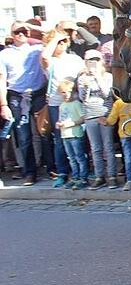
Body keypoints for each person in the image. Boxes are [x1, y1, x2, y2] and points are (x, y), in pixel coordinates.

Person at [0, 21, 47, 185]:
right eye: (17, 32)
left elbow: (53, 33)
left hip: (38, 93)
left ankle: (52, 168)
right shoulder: (5, 54)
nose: (21, 34)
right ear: (11, 35)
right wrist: (3, 105)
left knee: (45, 132)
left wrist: (31, 26)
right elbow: (2, 79)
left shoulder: (37, 48)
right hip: (17, 97)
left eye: (24, 31)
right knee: (23, 136)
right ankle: (29, 172)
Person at [41, 28, 85, 186]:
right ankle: (62, 172)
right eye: (58, 42)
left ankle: (82, 172)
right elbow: (44, 56)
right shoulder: (50, 61)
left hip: (76, 102)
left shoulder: (75, 59)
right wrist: (55, 38)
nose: (61, 44)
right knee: (60, 139)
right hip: (57, 104)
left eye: (64, 41)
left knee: (79, 138)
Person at [77, 49, 116, 189]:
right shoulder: (82, 78)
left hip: (105, 113)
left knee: (108, 146)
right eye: (90, 60)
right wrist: (86, 87)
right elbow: (82, 99)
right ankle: (100, 176)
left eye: (96, 60)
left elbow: (107, 94)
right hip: (90, 115)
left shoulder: (108, 76)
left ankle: (112, 175)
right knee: (95, 148)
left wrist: (97, 77)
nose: (93, 63)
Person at [53, 80, 88, 190]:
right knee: (71, 158)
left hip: (75, 134)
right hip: (65, 135)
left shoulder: (77, 104)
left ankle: (83, 178)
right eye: (63, 92)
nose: (66, 94)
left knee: (80, 157)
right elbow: (61, 118)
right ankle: (75, 177)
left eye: (69, 92)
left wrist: (70, 124)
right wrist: (59, 124)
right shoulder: (62, 105)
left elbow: (83, 118)